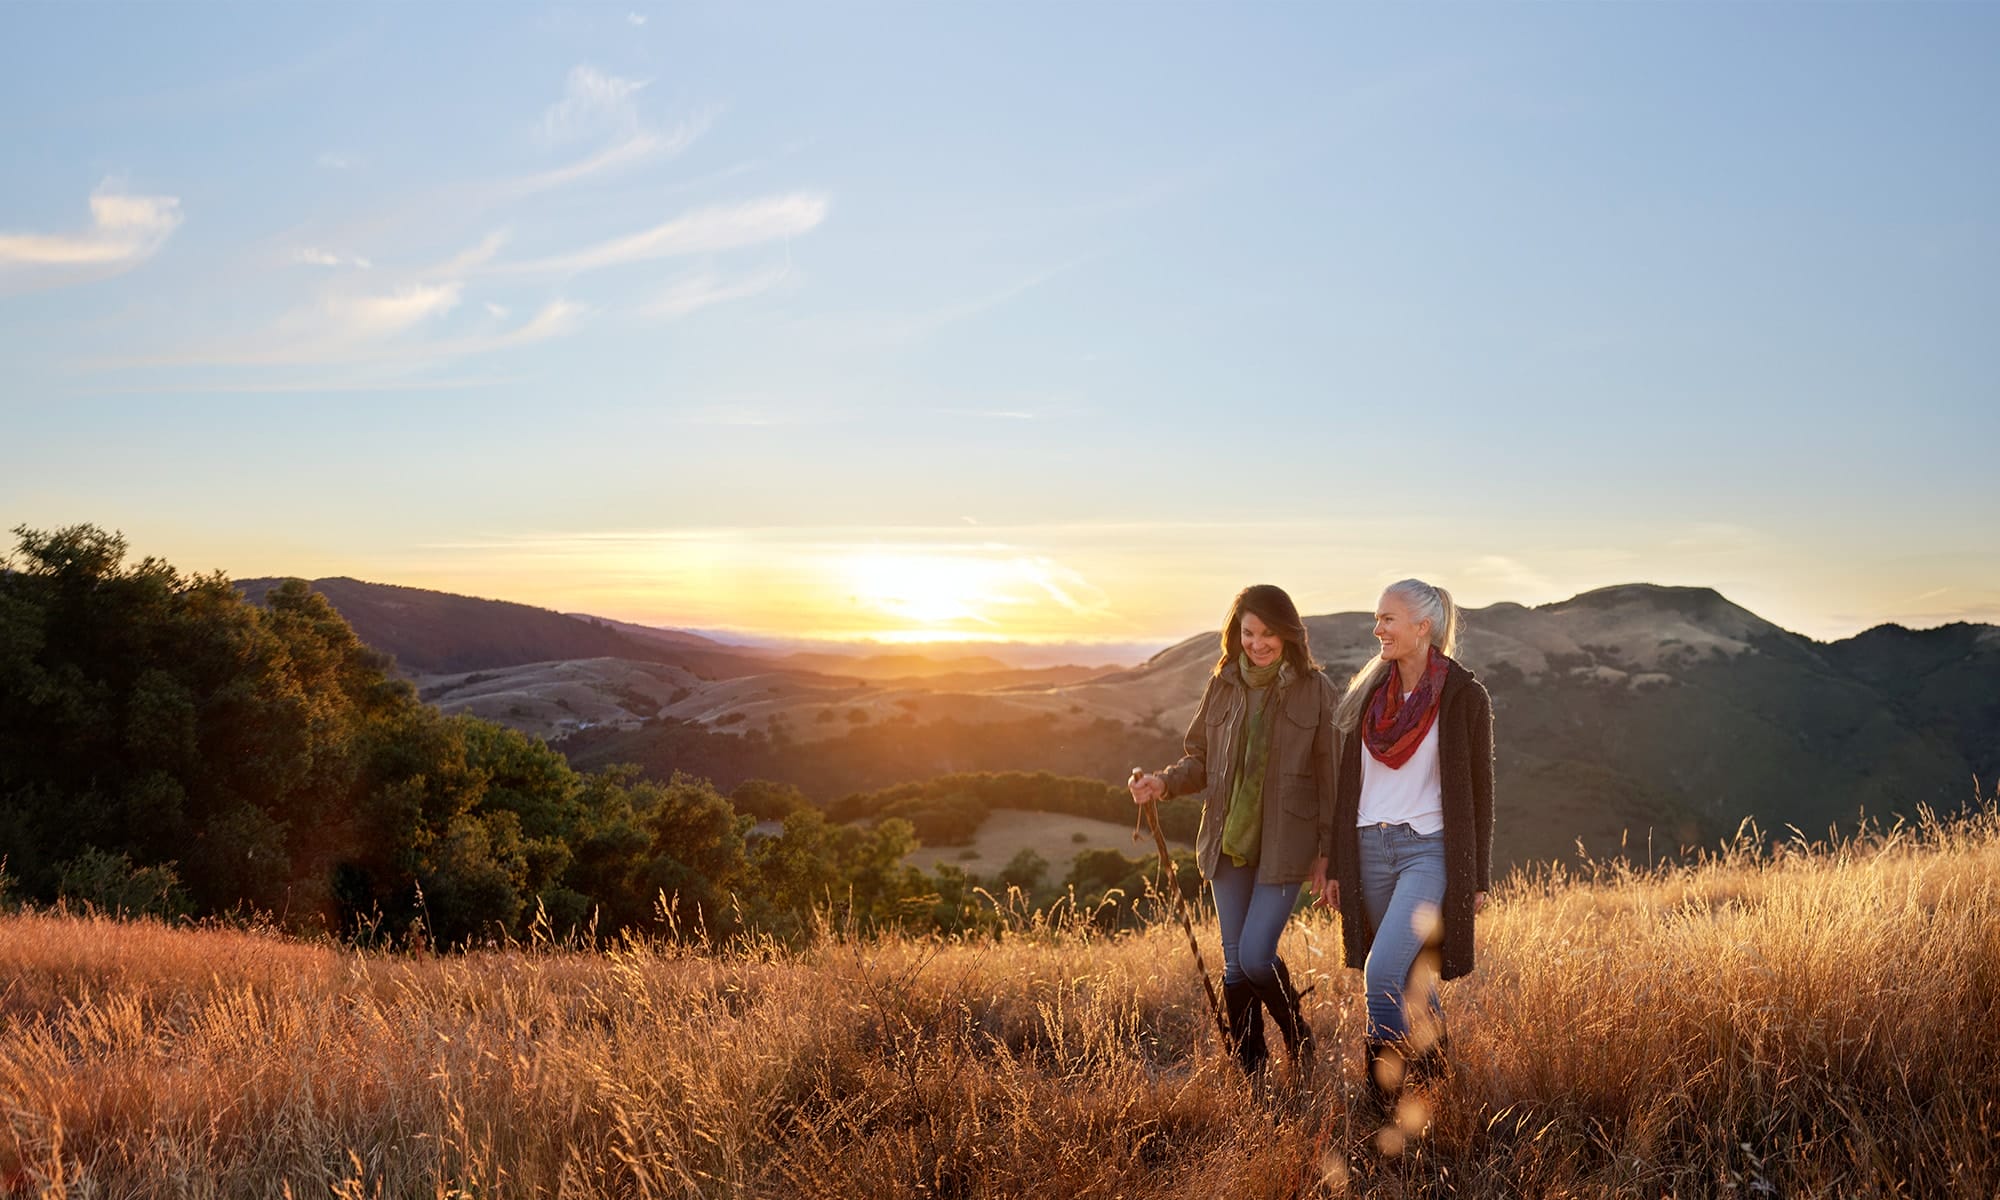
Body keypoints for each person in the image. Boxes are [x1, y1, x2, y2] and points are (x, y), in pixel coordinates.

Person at [1129, 584, 1338, 1077]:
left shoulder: (1317, 691)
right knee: (1233, 965)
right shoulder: (1223, 682)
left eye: (1268, 633)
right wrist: (1163, 782)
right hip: (1227, 843)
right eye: (1248, 632)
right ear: (1236, 633)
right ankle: (1253, 1068)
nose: (1258, 643)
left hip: (1285, 848)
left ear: (1288, 634)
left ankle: (1299, 1038)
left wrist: (1329, 853)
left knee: (1255, 956)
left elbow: (1332, 780)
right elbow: (1200, 759)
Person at [1322, 578, 1493, 1111]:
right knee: (1414, 976)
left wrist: (1478, 875)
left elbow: (1480, 792)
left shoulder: (1464, 695)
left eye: (1388, 619)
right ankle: (1440, 1081)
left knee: (1382, 972)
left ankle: (1385, 1096)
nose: (1378, 629)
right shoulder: (1370, 691)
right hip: (1369, 848)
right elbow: (1346, 784)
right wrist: (1334, 861)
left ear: (1423, 627)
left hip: (1429, 851)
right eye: (1377, 618)